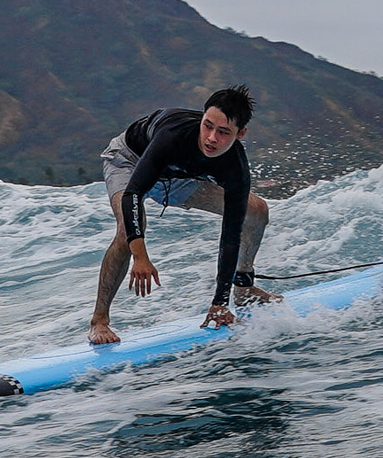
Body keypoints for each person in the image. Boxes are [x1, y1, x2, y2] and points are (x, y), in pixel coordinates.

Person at [88, 84, 278, 345]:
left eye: (223, 132)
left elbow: (231, 234)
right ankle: (99, 321)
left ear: (240, 133)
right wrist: (140, 256)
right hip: (130, 161)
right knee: (128, 231)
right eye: (207, 126)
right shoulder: (173, 135)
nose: (211, 138)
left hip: (178, 177)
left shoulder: (235, 166)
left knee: (255, 210)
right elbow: (133, 194)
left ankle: (243, 288)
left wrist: (219, 303)